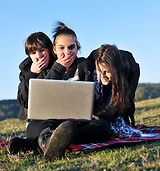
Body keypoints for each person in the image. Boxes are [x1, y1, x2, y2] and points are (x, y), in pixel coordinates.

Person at [9, 22, 93, 160]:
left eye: (42, 50)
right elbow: (24, 101)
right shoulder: (27, 70)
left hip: (69, 119)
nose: (38, 56)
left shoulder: (61, 65)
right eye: (33, 53)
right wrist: (31, 74)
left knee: (91, 127)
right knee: (49, 126)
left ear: (50, 50)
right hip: (41, 121)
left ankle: (33, 144)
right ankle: (48, 144)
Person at [90, 44, 142, 138]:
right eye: (99, 70)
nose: (102, 76)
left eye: (106, 71)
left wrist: (100, 116)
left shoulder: (132, 70)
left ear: (115, 70)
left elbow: (124, 102)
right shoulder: (91, 61)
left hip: (116, 108)